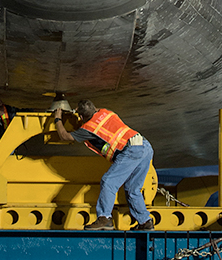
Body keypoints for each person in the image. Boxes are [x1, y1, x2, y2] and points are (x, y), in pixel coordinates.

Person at [53, 99, 154, 231]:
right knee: (132, 189)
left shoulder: (88, 129)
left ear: (82, 117)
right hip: (145, 146)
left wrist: (57, 119)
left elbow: (64, 136)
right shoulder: (106, 112)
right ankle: (145, 222)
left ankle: (104, 218)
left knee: (108, 181)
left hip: (132, 151)